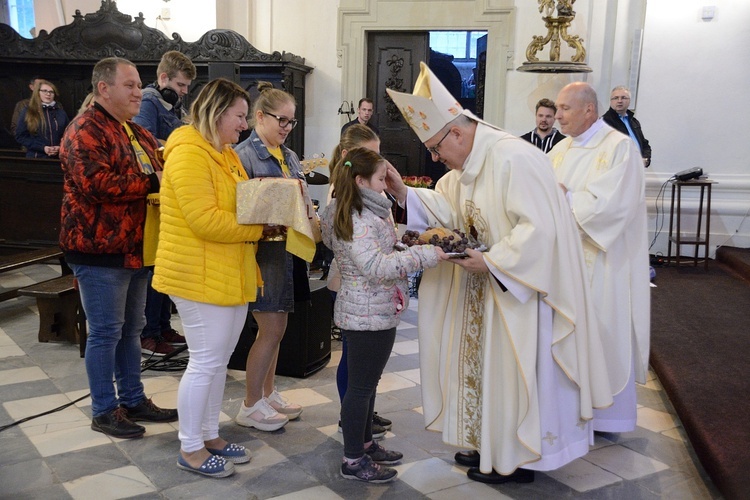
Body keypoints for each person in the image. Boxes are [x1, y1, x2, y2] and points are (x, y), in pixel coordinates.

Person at [385, 62, 613, 484]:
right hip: (487, 289)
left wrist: (493, 261)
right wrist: (403, 193)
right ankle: (491, 445)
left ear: (456, 131)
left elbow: (540, 230)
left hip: (522, 293)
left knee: (512, 373)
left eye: (436, 149)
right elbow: (447, 209)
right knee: (485, 370)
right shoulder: (466, 167)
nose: (435, 158)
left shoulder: (513, 158)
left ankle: (520, 459)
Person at [152, 78, 265, 479]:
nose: (244, 124)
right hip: (196, 273)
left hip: (227, 270)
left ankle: (211, 434)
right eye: (239, 116)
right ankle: (190, 447)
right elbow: (205, 220)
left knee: (218, 363)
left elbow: (239, 202)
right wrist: (260, 228)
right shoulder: (187, 153)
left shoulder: (224, 152)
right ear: (217, 114)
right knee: (203, 363)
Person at [59, 57, 177, 439]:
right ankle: (103, 409)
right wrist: (152, 181)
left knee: (132, 330)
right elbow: (95, 183)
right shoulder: (84, 129)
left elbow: (164, 166)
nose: (138, 92)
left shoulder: (135, 132)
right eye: (129, 85)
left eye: (139, 85)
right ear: (103, 88)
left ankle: (133, 398)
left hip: (137, 246)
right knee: (106, 331)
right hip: (99, 250)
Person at [321, 147, 444, 483]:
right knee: (360, 389)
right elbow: (375, 267)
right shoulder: (359, 216)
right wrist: (424, 255)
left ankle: (364, 443)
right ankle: (353, 460)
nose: (385, 185)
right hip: (367, 311)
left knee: (367, 384)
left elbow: (375, 255)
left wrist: (403, 247)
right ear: (361, 181)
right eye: (380, 179)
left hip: (370, 307)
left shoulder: (358, 210)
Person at [549, 81, 651, 434]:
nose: (557, 115)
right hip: (563, 263)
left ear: (588, 110)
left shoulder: (620, 148)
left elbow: (612, 205)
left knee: (603, 333)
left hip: (603, 262)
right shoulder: (560, 151)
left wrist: (565, 199)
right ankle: (569, 411)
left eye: (564, 108)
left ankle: (607, 417)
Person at [233, 82, 307, 431]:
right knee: (270, 326)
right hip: (262, 250)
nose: (286, 128)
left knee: (281, 327)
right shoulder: (244, 155)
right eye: (281, 120)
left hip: (287, 246)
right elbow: (241, 207)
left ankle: (268, 392)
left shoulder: (288, 155)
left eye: (291, 122)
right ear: (259, 116)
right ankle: (250, 403)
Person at [328, 124, 392, 438]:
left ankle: (361, 422)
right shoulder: (349, 202)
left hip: (363, 291)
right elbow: (372, 262)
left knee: (363, 376)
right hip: (356, 287)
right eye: (372, 155)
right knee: (355, 371)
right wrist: (423, 256)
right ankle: (352, 425)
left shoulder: (364, 198)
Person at [133, 50, 197, 357]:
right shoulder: (149, 101)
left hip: (167, 190)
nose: (185, 91)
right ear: (163, 78)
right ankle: (149, 333)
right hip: (153, 193)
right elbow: (145, 140)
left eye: (186, 87)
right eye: (181, 85)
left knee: (163, 265)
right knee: (154, 267)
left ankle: (162, 326)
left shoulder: (171, 103)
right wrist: (179, 144)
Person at [14, 79, 69, 158]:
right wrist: (42, 148)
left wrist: (59, 147)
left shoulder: (60, 112)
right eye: (44, 91)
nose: (48, 94)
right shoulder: (28, 111)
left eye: (51, 92)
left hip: (58, 157)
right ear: (38, 93)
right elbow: (20, 136)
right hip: (36, 157)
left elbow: (68, 135)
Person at [602, 86, 652, 167]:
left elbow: (644, 144)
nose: (619, 101)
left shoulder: (634, 121)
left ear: (629, 101)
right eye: (615, 98)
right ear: (610, 101)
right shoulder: (604, 122)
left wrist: (646, 159)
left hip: (637, 169)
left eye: (623, 98)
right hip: (617, 170)